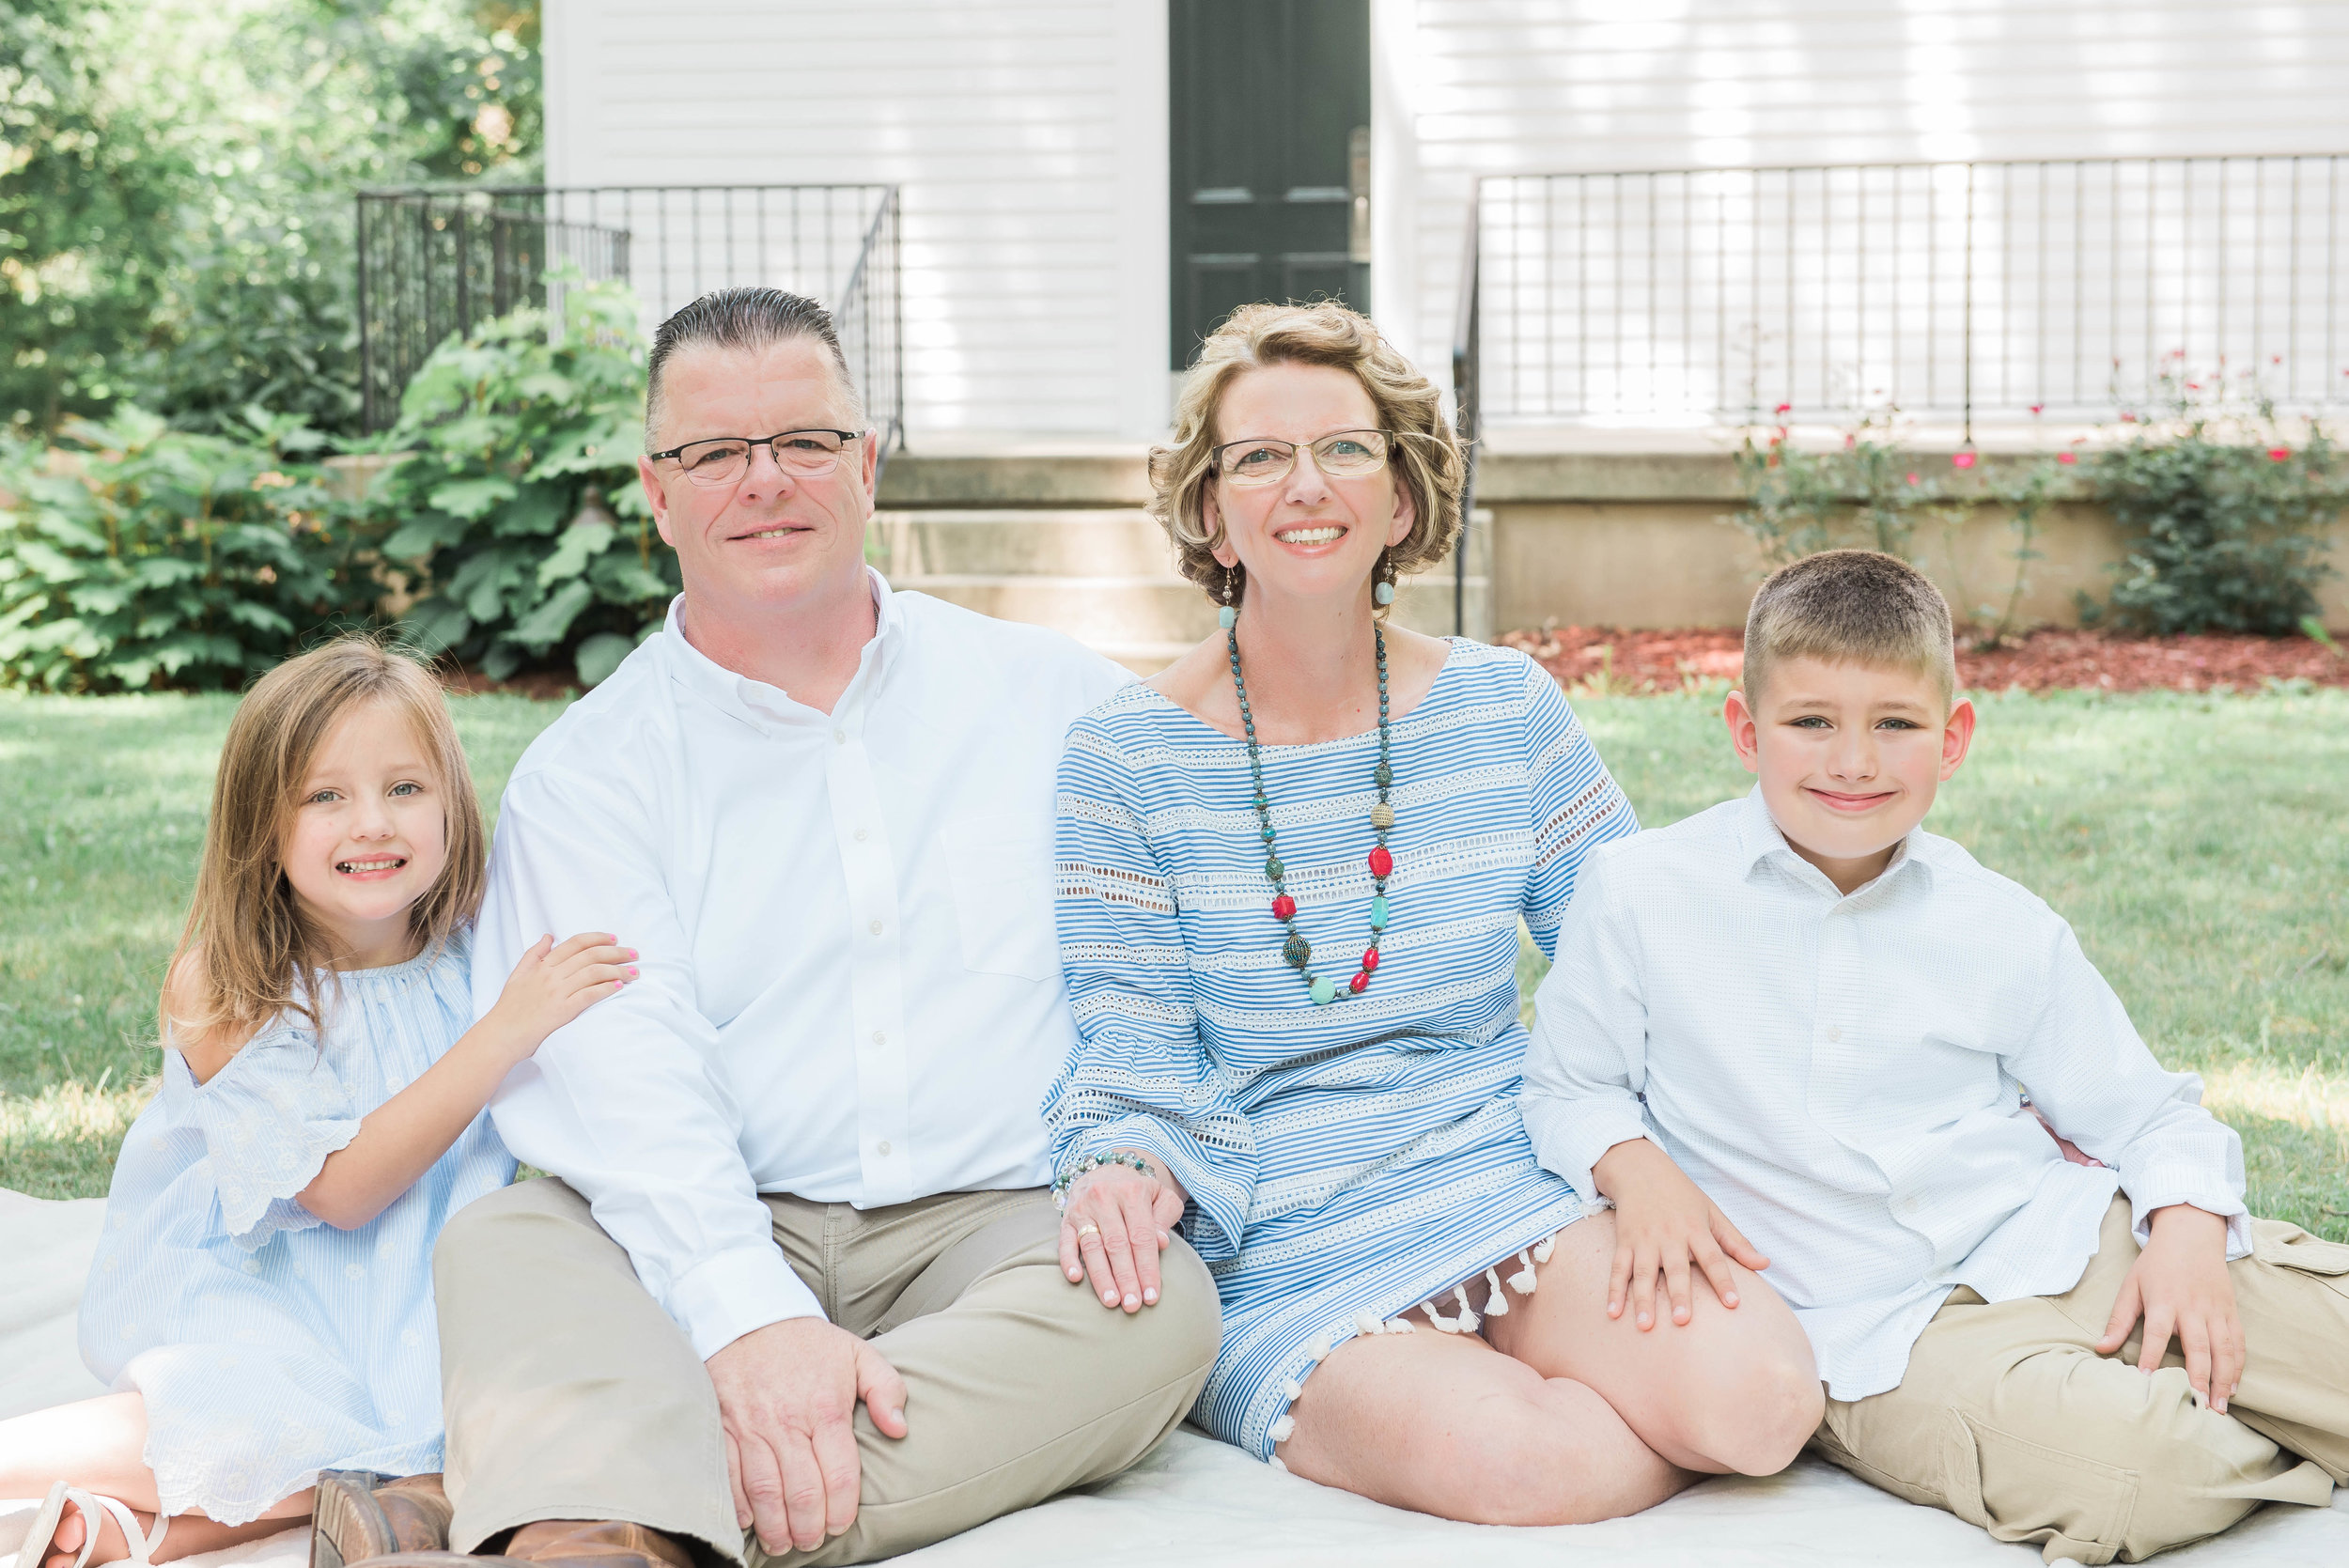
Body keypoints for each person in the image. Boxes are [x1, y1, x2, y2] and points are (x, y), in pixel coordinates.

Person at [360, 287, 1220, 1568]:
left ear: (866, 467)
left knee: (1155, 1308)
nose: (764, 482)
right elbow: (629, 1076)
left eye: (804, 442)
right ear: (659, 494)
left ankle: (594, 1519)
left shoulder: (1049, 701)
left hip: (985, 1219)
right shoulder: (592, 773)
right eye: (715, 453)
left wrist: (1146, 1143)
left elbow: (1178, 954)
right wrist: (745, 1317)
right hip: (702, 1211)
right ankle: (643, 1512)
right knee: (508, 1236)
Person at [1041, 300, 1826, 1526]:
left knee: (1764, 1401)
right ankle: (1495, 1400)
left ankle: (1560, 1378)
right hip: (1285, 1233)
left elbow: (1639, 958)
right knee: (1527, 1465)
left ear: (1402, 498)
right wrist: (1128, 1169)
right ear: (1211, 510)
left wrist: (1646, 1156)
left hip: (1503, 1171)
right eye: (1260, 457)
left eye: (1346, 448)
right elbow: (1131, 1031)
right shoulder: (1123, 756)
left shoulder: (1503, 708)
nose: (1307, 484)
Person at [1520, 549, 2349, 1565]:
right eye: (1811, 721)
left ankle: (2253, 1393)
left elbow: (2148, 1115)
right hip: (1883, 1332)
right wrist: (1633, 1166)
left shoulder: (1999, 923)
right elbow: (1567, 1082)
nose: (1853, 762)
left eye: (1895, 724)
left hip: (2064, 1237)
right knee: (2135, 1472)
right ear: (1745, 729)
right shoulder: (1640, 892)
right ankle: (2266, 1437)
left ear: (1951, 737)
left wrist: (2181, 1226)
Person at [0, 637, 630, 1568]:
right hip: (265, 1292)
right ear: (264, 822)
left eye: (405, 789)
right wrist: (504, 1031)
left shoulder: (480, 950)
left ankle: (122, 1531)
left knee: (450, 1445)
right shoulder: (228, 985)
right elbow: (340, 1189)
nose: (371, 823)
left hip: (423, 1300)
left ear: (452, 804)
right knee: (244, 1416)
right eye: (324, 795)